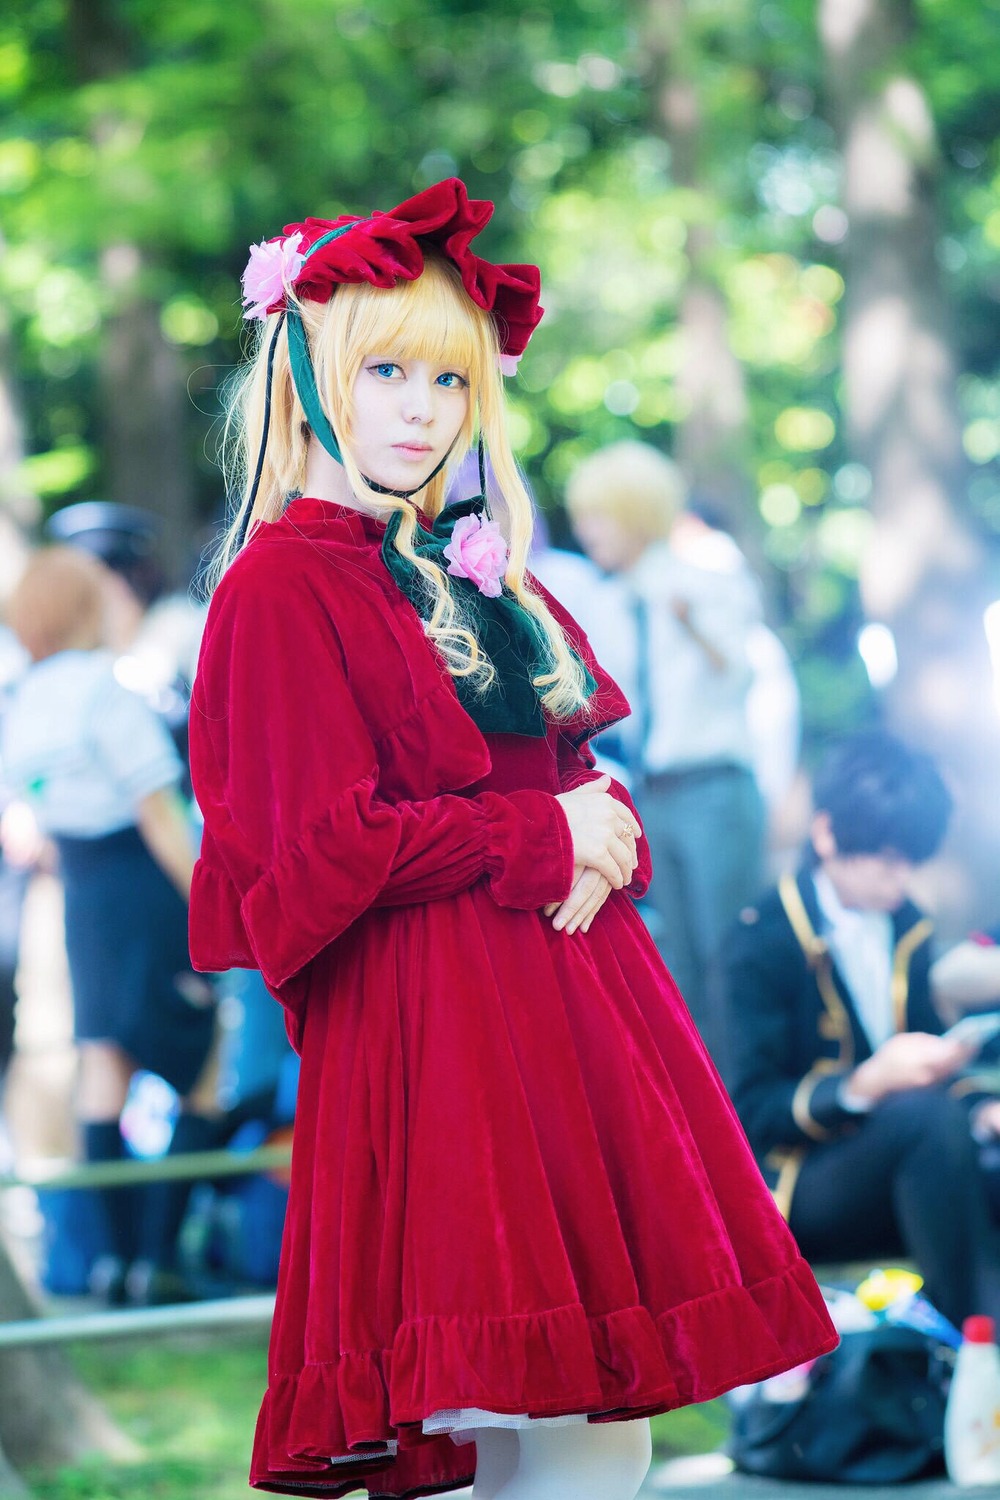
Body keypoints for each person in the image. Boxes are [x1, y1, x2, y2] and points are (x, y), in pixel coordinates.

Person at [188, 177, 836, 1500]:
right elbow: (317, 860)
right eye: (388, 373)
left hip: (582, 1018)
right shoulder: (277, 589)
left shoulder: (479, 567)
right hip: (439, 1037)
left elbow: (584, 782)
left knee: (607, 1425)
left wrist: (592, 835)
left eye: (449, 381)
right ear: (311, 375)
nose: (424, 409)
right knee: (494, 1405)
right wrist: (538, 840)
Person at [720, 730, 1000, 1330]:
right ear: (826, 834)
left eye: (911, 862)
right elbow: (749, 1111)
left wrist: (984, 1109)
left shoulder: (907, 926)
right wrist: (864, 1084)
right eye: (885, 859)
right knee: (924, 1123)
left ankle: (964, 1352)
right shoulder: (761, 939)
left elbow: (934, 1058)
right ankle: (981, 1353)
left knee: (984, 1155)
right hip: (796, 1186)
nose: (899, 880)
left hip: (912, 1160)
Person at [0, 546, 218, 1304]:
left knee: (103, 1069)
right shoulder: (105, 690)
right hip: (146, 895)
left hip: (82, 899)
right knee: (206, 1072)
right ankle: (157, 1257)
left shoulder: (24, 701)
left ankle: (116, 1262)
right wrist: (215, 906)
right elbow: (158, 816)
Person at [564, 443, 766, 1050]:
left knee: (726, 956)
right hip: (655, 796)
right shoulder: (607, 601)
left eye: (599, 514)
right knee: (676, 962)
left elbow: (739, 673)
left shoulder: (703, 583)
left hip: (713, 788)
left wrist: (692, 623)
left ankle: (749, 1114)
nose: (586, 530)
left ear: (635, 512)